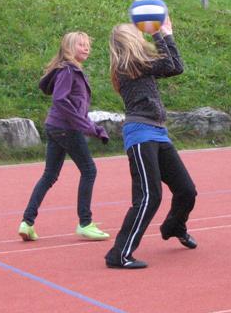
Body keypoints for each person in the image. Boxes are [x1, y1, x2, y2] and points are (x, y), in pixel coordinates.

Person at [104, 17, 198, 269]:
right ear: (127, 40)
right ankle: (119, 254)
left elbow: (176, 67)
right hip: (140, 135)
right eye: (137, 33)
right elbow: (168, 63)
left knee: (186, 190)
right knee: (149, 196)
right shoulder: (128, 64)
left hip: (158, 133)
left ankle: (173, 226)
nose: (141, 34)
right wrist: (159, 33)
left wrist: (166, 34)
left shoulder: (140, 63)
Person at [18, 32, 110, 243]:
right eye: (81, 44)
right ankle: (85, 223)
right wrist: (89, 128)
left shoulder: (69, 70)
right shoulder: (68, 70)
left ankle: (27, 223)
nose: (86, 48)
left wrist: (90, 126)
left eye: (87, 45)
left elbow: (71, 104)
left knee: (50, 175)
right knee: (89, 170)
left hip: (55, 126)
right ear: (69, 47)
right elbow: (61, 100)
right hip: (66, 128)